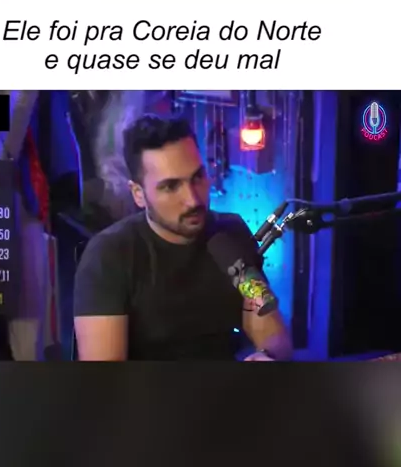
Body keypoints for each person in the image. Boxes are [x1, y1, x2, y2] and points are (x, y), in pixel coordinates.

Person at [74, 115, 293, 361]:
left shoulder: (231, 233)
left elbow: (272, 331)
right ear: (138, 194)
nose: (192, 200)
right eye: (170, 186)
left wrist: (267, 356)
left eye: (197, 177)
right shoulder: (108, 256)